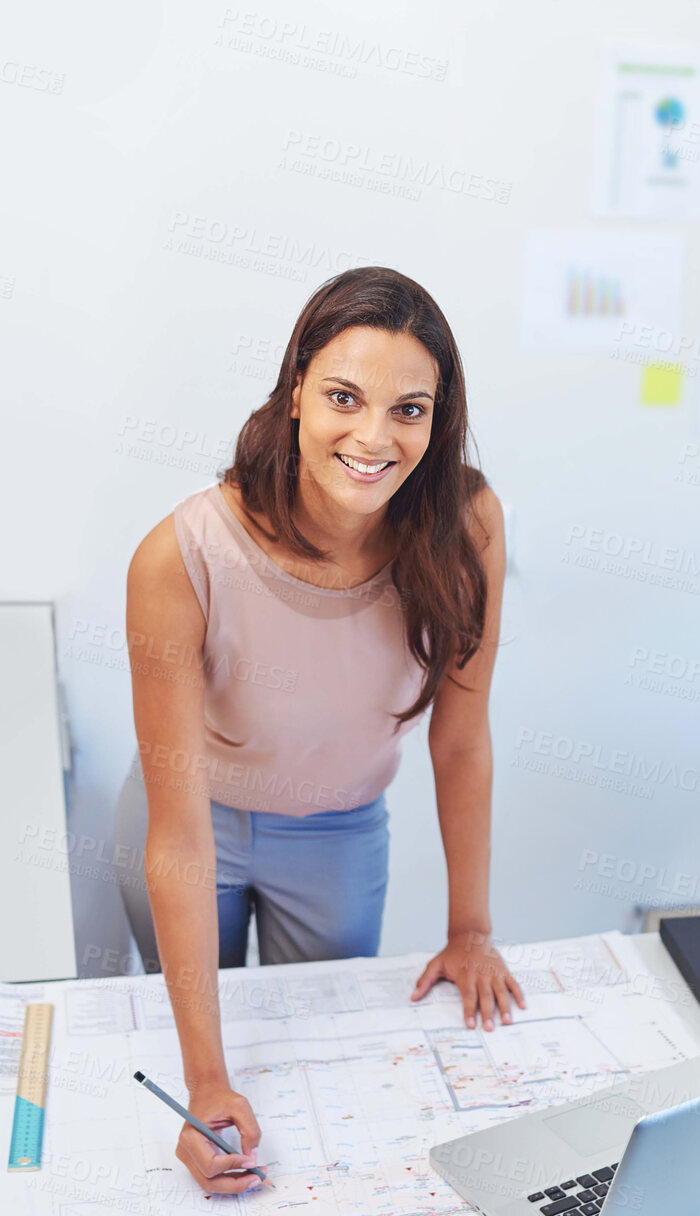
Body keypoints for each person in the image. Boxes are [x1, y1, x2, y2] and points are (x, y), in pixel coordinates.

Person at [116, 266, 522, 1197]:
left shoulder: (469, 524)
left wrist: (471, 930)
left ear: (438, 419)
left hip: (340, 832)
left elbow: (459, 739)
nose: (374, 438)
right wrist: (208, 1083)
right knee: (205, 1059)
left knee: (320, 1065)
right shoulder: (177, 557)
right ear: (294, 389)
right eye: (344, 397)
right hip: (195, 827)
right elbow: (174, 834)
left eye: (408, 410)